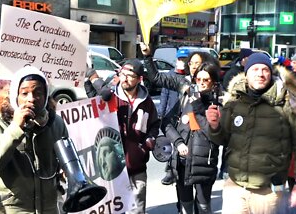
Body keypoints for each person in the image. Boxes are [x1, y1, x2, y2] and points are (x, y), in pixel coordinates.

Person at [205, 53, 296, 213]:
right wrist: (214, 126)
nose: (260, 74)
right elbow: (223, 139)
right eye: (255, 69)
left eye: (265, 69)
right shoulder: (234, 100)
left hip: (268, 192)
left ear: (271, 73)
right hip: (235, 187)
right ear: (246, 73)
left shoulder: (288, 102)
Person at [0, 66, 69, 213]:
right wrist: (15, 129)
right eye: (24, 93)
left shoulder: (55, 123)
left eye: (38, 93)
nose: (31, 99)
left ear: (45, 96)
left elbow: (64, 160)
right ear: (14, 96)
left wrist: (64, 170)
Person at [140, 43, 220, 214]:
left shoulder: (216, 98)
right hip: (182, 160)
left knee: (204, 207)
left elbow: (217, 133)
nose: (193, 67)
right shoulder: (184, 86)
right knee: (184, 205)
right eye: (190, 63)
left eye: (197, 64)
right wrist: (148, 56)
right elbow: (156, 79)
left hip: (204, 163)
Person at [93, 58, 160, 214]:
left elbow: (154, 125)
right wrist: (91, 76)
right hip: (112, 170)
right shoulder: (110, 97)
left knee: (137, 210)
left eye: (130, 75)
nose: (125, 78)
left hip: (137, 168)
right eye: (123, 74)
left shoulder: (146, 101)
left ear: (139, 79)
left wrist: (147, 145)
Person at [159, 48, 189, 186]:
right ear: (176, 60)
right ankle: (170, 171)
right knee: (172, 143)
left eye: (185, 60)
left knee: (182, 143)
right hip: (171, 115)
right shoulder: (170, 75)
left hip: (185, 116)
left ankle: (176, 170)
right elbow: (164, 95)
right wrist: (161, 113)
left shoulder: (190, 77)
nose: (182, 62)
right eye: (180, 59)